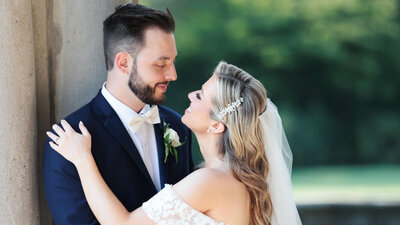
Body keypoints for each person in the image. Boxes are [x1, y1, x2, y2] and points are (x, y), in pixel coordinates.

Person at [47, 61, 302, 225]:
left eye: (201, 95)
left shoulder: (211, 180)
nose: (191, 95)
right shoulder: (233, 177)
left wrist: (83, 160)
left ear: (216, 125)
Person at [43, 4, 194, 225]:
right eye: (161, 64)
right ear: (123, 63)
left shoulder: (177, 125)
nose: (173, 74)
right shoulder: (68, 140)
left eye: (173, 62)